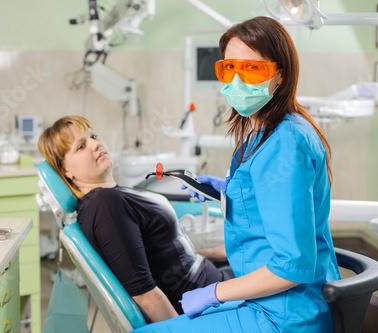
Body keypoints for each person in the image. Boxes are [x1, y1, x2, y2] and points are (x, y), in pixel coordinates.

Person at [132, 16, 341, 333]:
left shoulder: (286, 144)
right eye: (229, 68)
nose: (238, 80)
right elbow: (266, 203)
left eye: (253, 68)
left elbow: (291, 266)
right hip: (264, 300)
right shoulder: (264, 132)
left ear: (280, 74)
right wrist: (228, 192)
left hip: (285, 316)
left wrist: (213, 293)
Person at [38, 115, 234, 323]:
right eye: (81, 146)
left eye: (94, 136)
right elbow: (146, 295)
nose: (96, 144)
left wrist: (217, 253)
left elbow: (160, 256)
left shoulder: (109, 197)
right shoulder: (105, 205)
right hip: (209, 302)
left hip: (211, 281)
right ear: (65, 171)